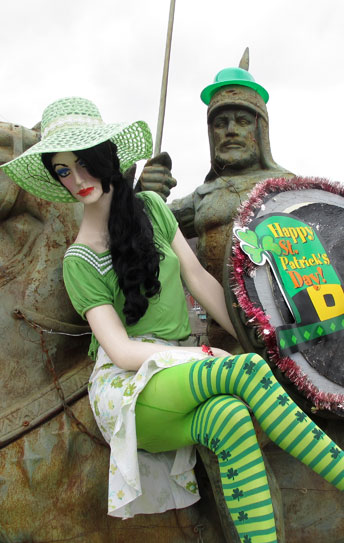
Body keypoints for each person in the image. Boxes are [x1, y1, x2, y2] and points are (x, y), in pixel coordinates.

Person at [1, 97, 344, 543]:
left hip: (180, 379)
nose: (77, 178)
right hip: (128, 388)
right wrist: (198, 357)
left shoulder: (152, 211)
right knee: (240, 375)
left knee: (233, 422)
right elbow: (120, 350)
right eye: (63, 171)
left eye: (85, 162)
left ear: (109, 156)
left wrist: (261, 340)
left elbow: (199, 279)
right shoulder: (80, 259)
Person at [141, 53, 293, 349]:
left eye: (242, 121)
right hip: (223, 338)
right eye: (220, 123)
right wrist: (145, 192)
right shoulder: (203, 196)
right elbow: (141, 226)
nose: (230, 130)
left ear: (260, 129)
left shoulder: (290, 187)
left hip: (286, 338)